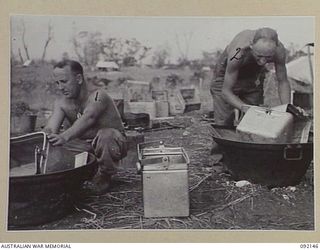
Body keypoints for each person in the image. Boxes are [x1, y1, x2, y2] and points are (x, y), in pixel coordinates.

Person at [44, 60, 127, 195]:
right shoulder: (61, 103)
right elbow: (50, 128)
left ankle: (104, 177)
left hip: (112, 144)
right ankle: (83, 173)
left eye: (64, 81)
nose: (60, 87)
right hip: (84, 147)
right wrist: (46, 135)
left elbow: (89, 117)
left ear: (79, 78)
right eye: (57, 83)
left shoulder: (99, 96)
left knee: (106, 135)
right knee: (54, 148)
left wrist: (64, 136)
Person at [211, 27, 291, 126]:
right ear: (251, 46)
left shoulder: (279, 51)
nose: (263, 62)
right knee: (224, 122)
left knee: (252, 121)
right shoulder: (237, 53)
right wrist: (245, 108)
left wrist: (287, 109)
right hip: (227, 73)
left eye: (268, 57)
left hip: (253, 74)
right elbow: (226, 91)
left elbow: (283, 82)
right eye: (259, 56)